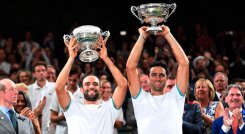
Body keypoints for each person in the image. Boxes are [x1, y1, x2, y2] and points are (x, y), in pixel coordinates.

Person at [55, 37, 127, 134]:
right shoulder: (73, 107)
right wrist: (71, 58)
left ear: (100, 89)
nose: (91, 86)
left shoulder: (109, 108)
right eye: (87, 84)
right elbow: (59, 87)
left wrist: (106, 58)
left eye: (95, 84)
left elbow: (123, 84)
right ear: (81, 90)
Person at [126, 25, 189, 134]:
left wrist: (167, 34)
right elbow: (130, 67)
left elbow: (184, 63)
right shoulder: (140, 98)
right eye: (154, 75)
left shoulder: (176, 96)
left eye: (162, 75)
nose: (158, 78)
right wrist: (142, 36)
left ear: (167, 78)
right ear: (148, 78)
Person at [50, 64, 84, 134]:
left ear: (80, 78)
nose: (71, 82)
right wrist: (62, 117)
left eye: (74, 80)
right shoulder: (57, 94)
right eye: (69, 80)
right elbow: (52, 118)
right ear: (66, 78)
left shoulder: (84, 94)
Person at [27, 61, 56, 134]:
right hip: (33, 128)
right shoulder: (28, 90)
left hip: (52, 128)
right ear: (34, 74)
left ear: (46, 72)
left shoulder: (55, 87)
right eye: (38, 71)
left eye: (43, 70)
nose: (41, 73)